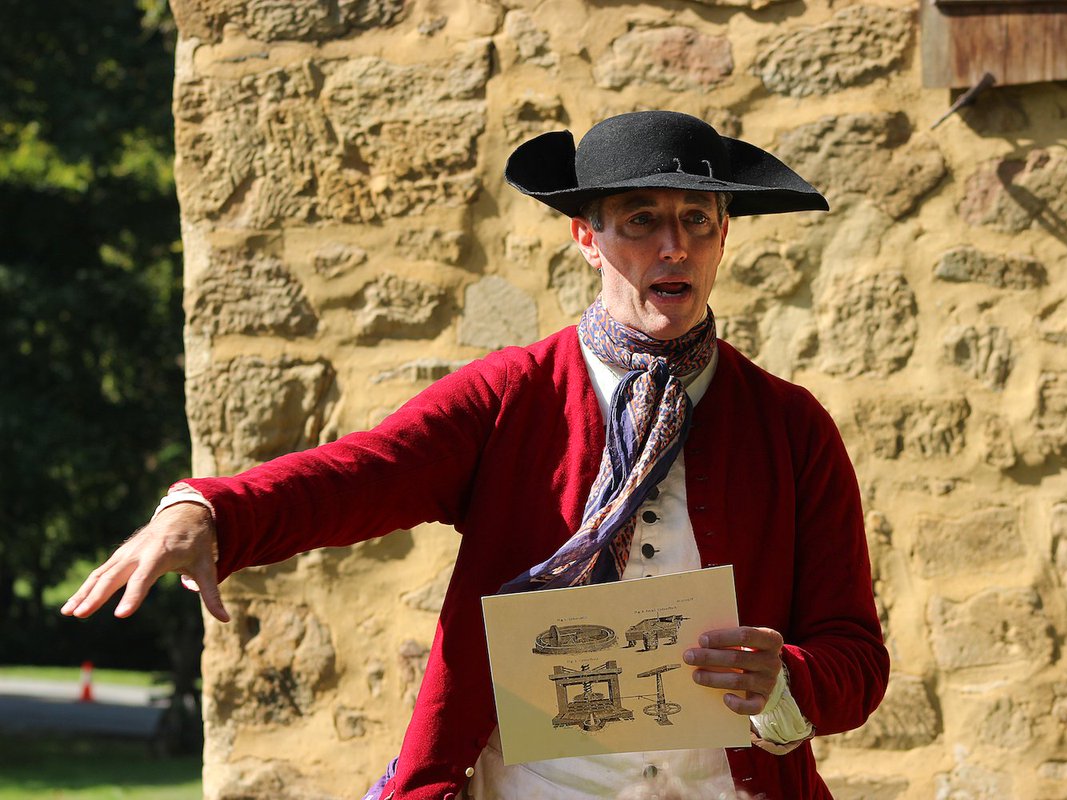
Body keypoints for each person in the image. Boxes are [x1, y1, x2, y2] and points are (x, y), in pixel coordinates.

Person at [62, 110, 888, 800]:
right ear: (586, 236)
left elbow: (855, 654)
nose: (674, 245)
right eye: (641, 218)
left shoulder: (792, 426)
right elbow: (365, 472)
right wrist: (208, 509)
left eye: (696, 220)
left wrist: (785, 679)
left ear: (722, 237)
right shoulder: (512, 395)